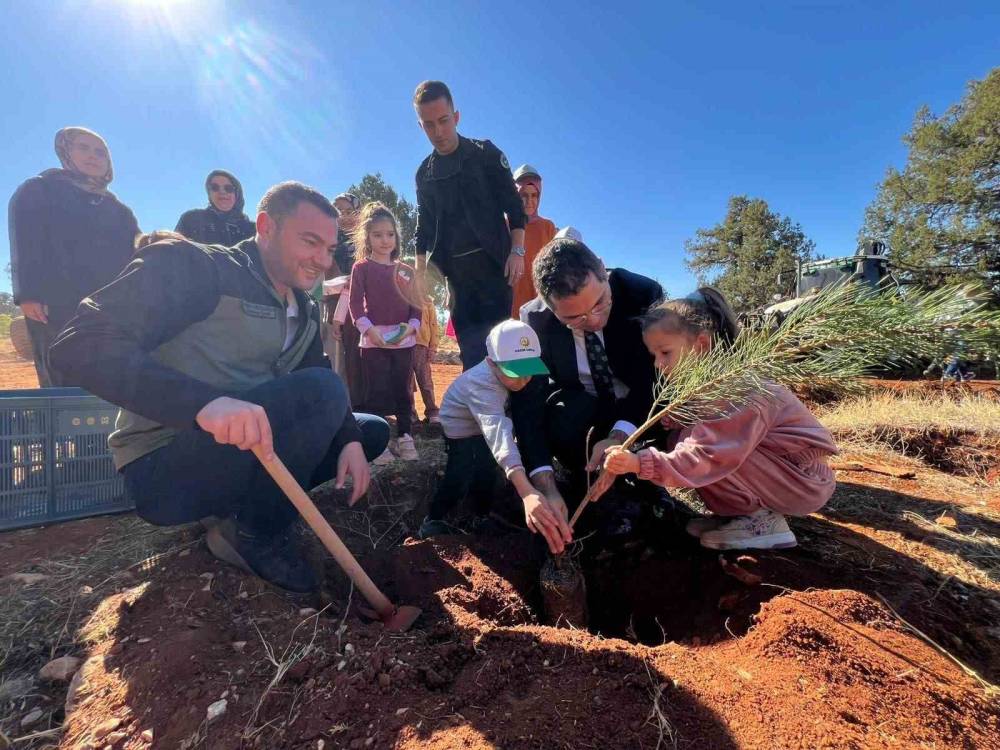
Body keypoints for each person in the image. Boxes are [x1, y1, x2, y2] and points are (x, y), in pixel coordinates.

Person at [48, 182, 390, 593]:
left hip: (241, 451)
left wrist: (349, 439)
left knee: (368, 430)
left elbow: (316, 368)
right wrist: (202, 404)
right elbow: (78, 344)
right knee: (323, 392)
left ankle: (239, 507)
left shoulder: (303, 305)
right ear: (266, 226)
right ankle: (256, 536)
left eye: (329, 248)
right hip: (167, 466)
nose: (321, 259)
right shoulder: (196, 267)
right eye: (310, 241)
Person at [602, 288, 838, 551]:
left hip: (801, 482)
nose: (658, 364)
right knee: (680, 436)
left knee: (705, 445)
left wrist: (639, 463)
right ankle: (740, 514)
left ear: (702, 344)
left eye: (665, 352)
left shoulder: (739, 389)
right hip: (781, 474)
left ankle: (762, 522)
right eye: (654, 355)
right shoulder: (714, 384)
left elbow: (708, 454)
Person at [510, 238, 667, 537]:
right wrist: (543, 485)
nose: (594, 320)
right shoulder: (532, 320)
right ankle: (581, 479)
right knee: (562, 414)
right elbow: (527, 403)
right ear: (550, 308)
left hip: (638, 406)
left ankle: (650, 482)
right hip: (585, 409)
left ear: (603, 271)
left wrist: (621, 437)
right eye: (574, 318)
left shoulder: (643, 294)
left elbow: (653, 380)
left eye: (600, 303)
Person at [419, 320, 573, 554]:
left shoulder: (517, 377)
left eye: (528, 372)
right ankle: (433, 519)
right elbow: (497, 433)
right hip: (461, 430)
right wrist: (527, 492)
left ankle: (480, 516)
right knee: (459, 473)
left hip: (483, 426)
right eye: (515, 374)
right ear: (492, 363)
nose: (524, 381)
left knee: (488, 471)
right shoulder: (482, 385)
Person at [8, 126, 140, 386]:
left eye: (100, 152)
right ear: (65, 150)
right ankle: (65, 425)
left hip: (110, 304)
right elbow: (26, 241)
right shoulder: (39, 190)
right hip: (55, 304)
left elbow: (136, 256)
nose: (93, 156)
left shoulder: (119, 210)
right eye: (83, 147)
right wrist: (29, 294)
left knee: (113, 376)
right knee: (61, 371)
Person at [413, 80, 528, 370]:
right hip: (456, 282)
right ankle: (478, 415)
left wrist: (517, 251)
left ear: (457, 117)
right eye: (428, 125)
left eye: (443, 121)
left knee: (503, 353)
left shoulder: (486, 155)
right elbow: (423, 227)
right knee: (471, 356)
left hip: (494, 271)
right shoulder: (424, 175)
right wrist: (419, 271)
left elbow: (514, 208)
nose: (438, 132)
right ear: (420, 125)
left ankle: (511, 414)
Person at [348, 202, 422, 462]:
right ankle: (378, 443)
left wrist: (411, 328)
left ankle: (405, 437)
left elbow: (416, 305)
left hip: (404, 343)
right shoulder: (362, 268)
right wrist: (368, 331)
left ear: (396, 236)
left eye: (390, 234)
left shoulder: (406, 270)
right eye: (378, 235)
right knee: (375, 391)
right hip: (373, 342)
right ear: (367, 237)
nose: (384, 240)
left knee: (403, 390)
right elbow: (355, 303)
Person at [328, 192, 365, 407]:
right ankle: (341, 401)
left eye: (349, 211)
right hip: (331, 300)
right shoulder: (329, 239)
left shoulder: (367, 239)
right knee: (335, 350)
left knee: (358, 350)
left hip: (361, 303)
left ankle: (361, 403)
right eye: (338, 211)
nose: (344, 216)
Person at [510, 165, 557, 316]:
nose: (529, 201)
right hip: (510, 302)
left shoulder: (547, 227)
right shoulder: (503, 225)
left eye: (534, 195)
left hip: (540, 302)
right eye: (523, 195)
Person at [175, 169, 255, 246]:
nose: (222, 192)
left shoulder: (253, 229)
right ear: (209, 193)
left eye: (228, 188)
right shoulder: (191, 219)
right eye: (215, 187)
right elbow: (173, 253)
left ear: (237, 193)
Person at [411, 292, 441, 424]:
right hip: (402, 344)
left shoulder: (427, 301)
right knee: (407, 382)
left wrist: (433, 347)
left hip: (421, 345)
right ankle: (410, 414)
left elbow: (433, 325)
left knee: (425, 380)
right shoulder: (399, 295)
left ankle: (432, 412)